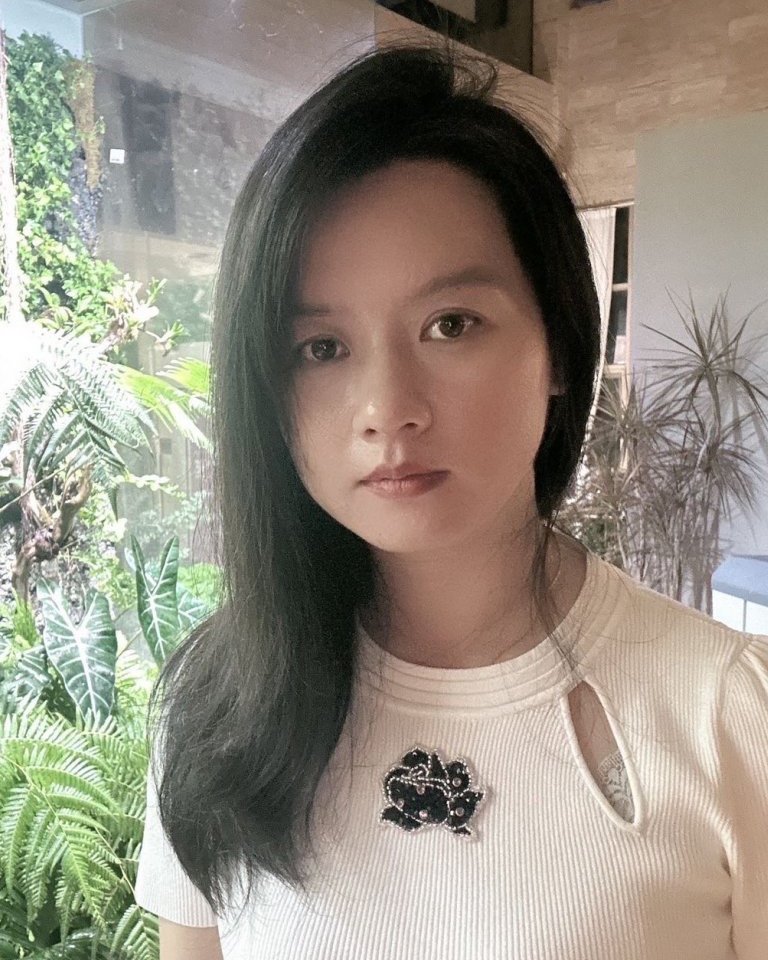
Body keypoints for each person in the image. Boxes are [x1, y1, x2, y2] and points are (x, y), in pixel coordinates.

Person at [134, 44, 768, 960]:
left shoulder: (730, 713)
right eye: (321, 348)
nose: (387, 409)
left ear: (558, 348)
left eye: (451, 324)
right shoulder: (218, 708)